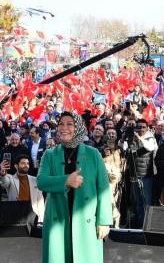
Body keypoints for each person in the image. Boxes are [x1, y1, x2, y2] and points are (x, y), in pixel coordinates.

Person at [37, 112, 112, 263]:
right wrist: (66, 181)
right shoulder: (49, 154)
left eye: (70, 124)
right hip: (57, 219)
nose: (64, 128)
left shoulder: (93, 154)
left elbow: (103, 188)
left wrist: (104, 220)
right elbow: (41, 182)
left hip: (87, 219)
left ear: (78, 127)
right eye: (61, 124)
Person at [0, 155, 45, 224]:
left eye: (27, 163)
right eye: (23, 163)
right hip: (15, 218)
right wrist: (2, 173)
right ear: (16, 166)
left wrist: (41, 220)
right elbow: (4, 182)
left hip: (33, 217)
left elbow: (40, 201)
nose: (26, 165)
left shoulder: (35, 180)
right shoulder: (10, 178)